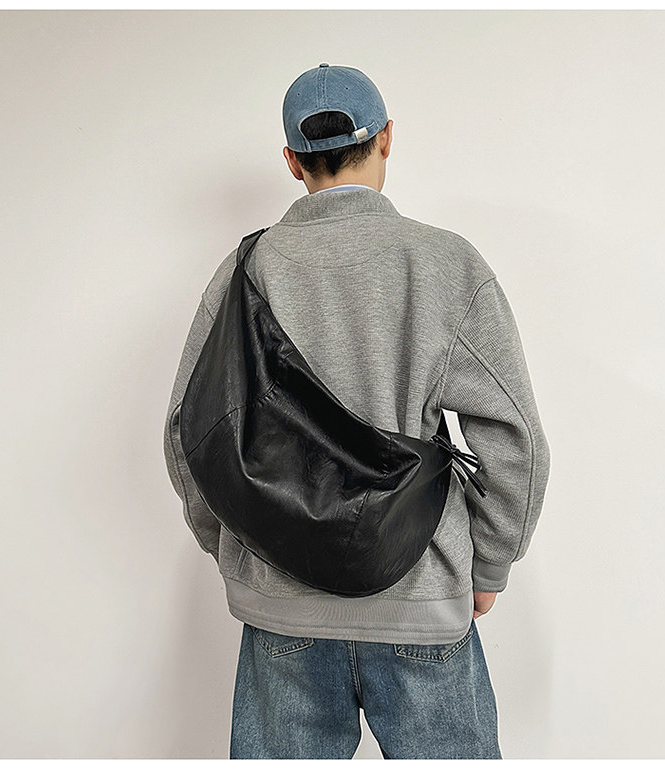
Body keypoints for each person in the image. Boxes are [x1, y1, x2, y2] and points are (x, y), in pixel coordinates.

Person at [163, 63, 551, 760]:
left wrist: (240, 546)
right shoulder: (446, 264)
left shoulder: (245, 271)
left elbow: (189, 434)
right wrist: (489, 566)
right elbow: (515, 440)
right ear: (388, 138)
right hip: (422, 594)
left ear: (292, 160)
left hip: (282, 611)